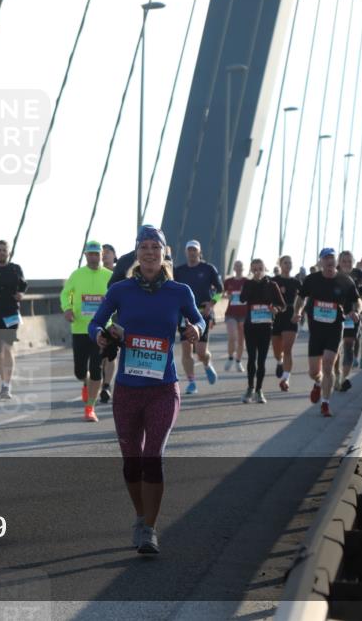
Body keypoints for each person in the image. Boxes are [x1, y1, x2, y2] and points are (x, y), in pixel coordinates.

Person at [90, 225, 204, 555]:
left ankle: (150, 528)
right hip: (127, 389)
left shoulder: (179, 291)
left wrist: (195, 328)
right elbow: (96, 321)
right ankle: (140, 516)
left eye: (156, 247)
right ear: (137, 253)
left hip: (163, 389)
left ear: (164, 253)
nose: (150, 252)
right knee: (131, 461)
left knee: (152, 457)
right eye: (144, 247)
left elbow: (198, 319)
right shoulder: (121, 290)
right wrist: (98, 335)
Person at [291, 248, 361, 417]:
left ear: (335, 261)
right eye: (326, 258)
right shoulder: (311, 279)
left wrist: (357, 311)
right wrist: (297, 312)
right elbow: (301, 298)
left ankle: (325, 403)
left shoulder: (345, 280)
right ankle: (318, 382)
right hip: (316, 331)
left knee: (328, 364)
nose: (329, 261)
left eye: (332, 257)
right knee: (314, 372)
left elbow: (357, 299)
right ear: (321, 261)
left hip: (335, 328)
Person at [61, 240, 113, 422]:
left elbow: (118, 298)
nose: (93, 257)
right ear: (85, 256)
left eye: (96, 254)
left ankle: (90, 407)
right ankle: (85, 381)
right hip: (80, 329)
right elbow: (64, 294)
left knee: (96, 368)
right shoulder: (77, 275)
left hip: (101, 330)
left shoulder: (109, 275)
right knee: (80, 371)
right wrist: (67, 308)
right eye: (90, 254)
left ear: (101, 255)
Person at [172, 240, 222, 394]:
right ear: (186, 252)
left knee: (201, 352)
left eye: (195, 250)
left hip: (202, 313)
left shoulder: (208, 269)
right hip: (184, 315)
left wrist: (211, 304)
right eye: (189, 250)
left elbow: (220, 290)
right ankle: (191, 382)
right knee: (186, 349)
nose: (192, 252)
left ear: (199, 252)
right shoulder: (179, 271)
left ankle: (207, 364)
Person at [0, 240, 27, 400]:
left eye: (4, 250)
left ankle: (6, 385)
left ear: (8, 253)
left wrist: (21, 294)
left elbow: (23, 285)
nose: (2, 252)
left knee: (7, 347)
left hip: (11, 312)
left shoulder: (15, 269)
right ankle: (3, 381)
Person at [239, 259, 286, 403]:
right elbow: (242, 299)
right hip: (251, 325)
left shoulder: (272, 285)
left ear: (265, 269)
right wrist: (251, 283)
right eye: (255, 269)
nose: (258, 271)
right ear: (251, 270)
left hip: (265, 326)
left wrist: (275, 309)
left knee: (262, 360)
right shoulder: (248, 283)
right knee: (251, 358)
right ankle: (250, 388)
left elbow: (282, 305)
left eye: (260, 268)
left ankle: (259, 390)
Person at [334, 251, 362, 392]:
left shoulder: (358, 274)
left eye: (349, 261)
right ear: (339, 262)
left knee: (349, 346)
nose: (347, 264)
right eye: (344, 261)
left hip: (352, 315)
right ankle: (336, 373)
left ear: (353, 262)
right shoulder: (333, 274)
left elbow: (360, 296)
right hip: (334, 315)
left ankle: (343, 379)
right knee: (335, 348)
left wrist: (357, 311)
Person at [271, 255, 302, 391]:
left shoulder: (296, 282)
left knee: (287, 349)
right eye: (285, 263)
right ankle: (279, 361)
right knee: (277, 350)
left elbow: (303, 298)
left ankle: (286, 378)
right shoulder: (274, 281)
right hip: (276, 315)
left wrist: (299, 311)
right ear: (280, 264)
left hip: (291, 315)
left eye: (290, 263)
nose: (288, 265)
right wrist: (271, 307)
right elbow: (267, 296)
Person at [99, 244, 120, 403]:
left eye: (108, 253)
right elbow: (72, 294)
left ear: (114, 255)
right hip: (99, 320)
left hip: (117, 321)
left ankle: (106, 385)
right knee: (101, 356)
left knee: (111, 353)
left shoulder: (121, 273)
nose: (104, 255)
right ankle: (102, 381)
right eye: (102, 253)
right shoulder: (95, 274)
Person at [223, 261, 248, 373]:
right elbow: (220, 293)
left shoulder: (247, 282)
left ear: (243, 268)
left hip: (244, 314)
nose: (238, 268)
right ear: (233, 268)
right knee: (232, 336)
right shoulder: (228, 281)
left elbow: (252, 295)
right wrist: (225, 295)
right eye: (236, 266)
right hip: (231, 313)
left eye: (240, 266)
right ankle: (230, 357)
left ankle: (238, 361)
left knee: (241, 339)